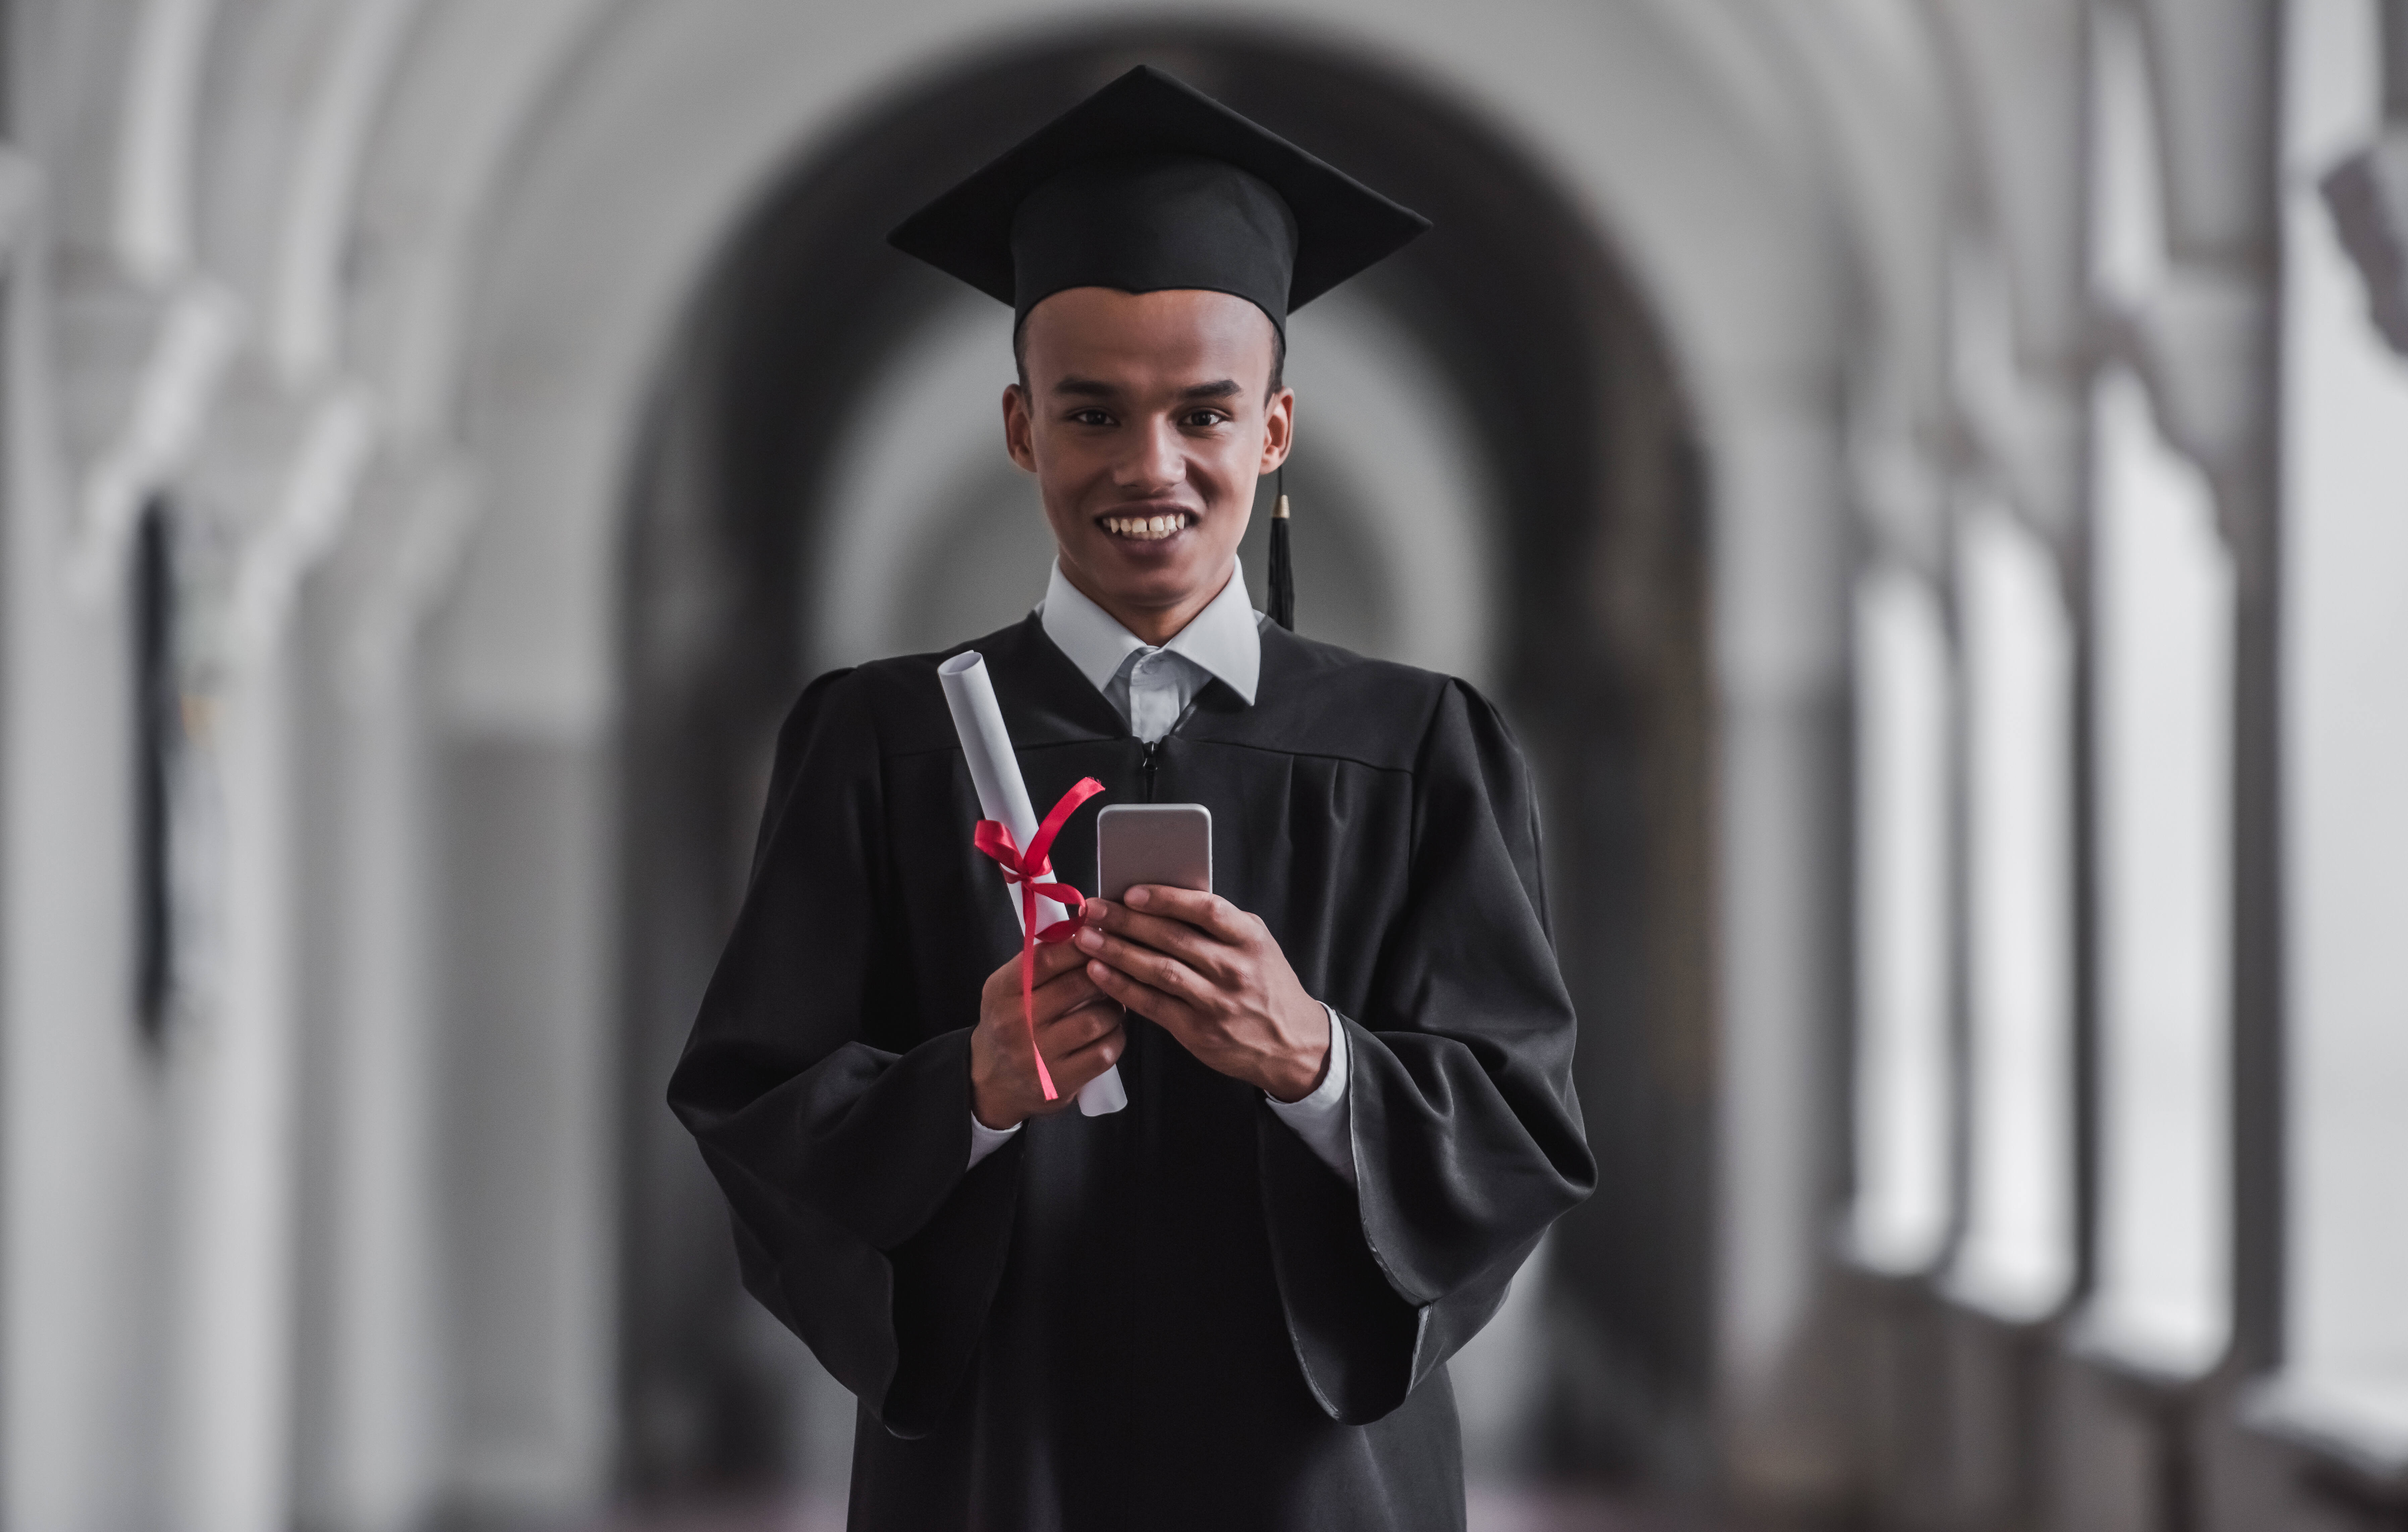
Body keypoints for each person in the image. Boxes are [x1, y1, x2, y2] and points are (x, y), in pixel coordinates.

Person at [668, 66, 1593, 1531]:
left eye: (1202, 414)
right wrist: (959, 1092)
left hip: (1315, 1480)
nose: (1146, 466)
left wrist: (1317, 1060)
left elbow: (1521, 1133)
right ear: (1022, 425)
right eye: (1091, 413)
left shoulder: (1418, 749)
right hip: (995, 1463)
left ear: (1274, 431)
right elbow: (750, 1111)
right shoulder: (879, 741)